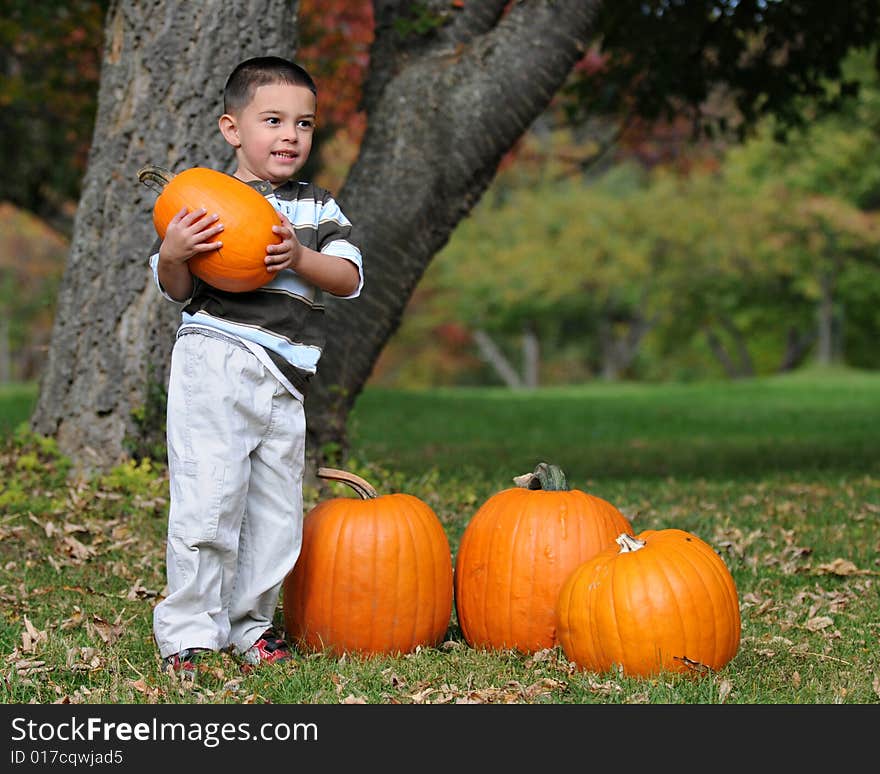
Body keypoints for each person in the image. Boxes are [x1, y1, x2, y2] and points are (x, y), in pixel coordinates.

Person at [147, 56, 363, 676]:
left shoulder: (318, 210)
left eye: (304, 123)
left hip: (286, 378)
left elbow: (347, 278)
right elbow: (178, 288)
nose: (290, 135)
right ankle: (189, 631)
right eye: (273, 120)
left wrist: (297, 255)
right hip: (216, 359)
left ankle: (250, 627)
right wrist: (174, 252)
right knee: (209, 500)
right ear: (232, 128)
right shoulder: (202, 201)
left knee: (274, 513)